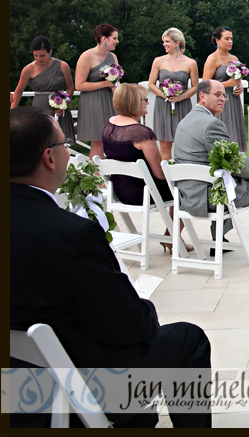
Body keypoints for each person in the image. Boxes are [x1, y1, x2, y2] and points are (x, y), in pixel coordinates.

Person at [10, 106, 212, 428]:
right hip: (80, 385)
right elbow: (127, 326)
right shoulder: (71, 234)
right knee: (189, 338)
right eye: (65, 145)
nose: (67, 153)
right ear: (49, 158)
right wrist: (146, 310)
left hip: (16, 386)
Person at [172, 79, 249, 260]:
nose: (223, 99)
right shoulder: (211, 124)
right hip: (209, 197)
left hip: (188, 196)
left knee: (226, 179)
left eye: (224, 96)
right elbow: (233, 161)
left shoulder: (184, 121)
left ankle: (219, 240)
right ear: (202, 96)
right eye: (217, 95)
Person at [102, 83, 192, 254]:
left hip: (119, 192)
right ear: (133, 102)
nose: (147, 103)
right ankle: (173, 237)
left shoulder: (109, 125)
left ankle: (171, 237)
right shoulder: (142, 133)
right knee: (188, 188)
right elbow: (159, 173)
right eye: (145, 100)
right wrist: (177, 171)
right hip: (141, 193)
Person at [147, 28, 198, 162]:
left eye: (167, 41)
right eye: (163, 42)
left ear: (177, 42)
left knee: (185, 144)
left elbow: (195, 87)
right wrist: (164, 96)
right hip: (163, 106)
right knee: (165, 146)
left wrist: (180, 97)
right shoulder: (158, 61)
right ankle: (168, 180)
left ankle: (184, 177)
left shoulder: (190, 63)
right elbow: (151, 84)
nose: (164, 44)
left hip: (183, 105)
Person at [11, 36, 76, 141]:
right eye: (35, 55)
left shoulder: (63, 66)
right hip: (39, 107)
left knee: (61, 142)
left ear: (50, 51)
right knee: (41, 142)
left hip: (59, 107)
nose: (38, 59)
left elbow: (70, 89)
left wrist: (63, 105)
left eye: (42, 56)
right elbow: (18, 91)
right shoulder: (28, 69)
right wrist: (12, 112)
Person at [74, 23, 120, 161]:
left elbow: (116, 80)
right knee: (98, 143)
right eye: (115, 38)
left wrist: (117, 87)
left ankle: (111, 177)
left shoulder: (113, 57)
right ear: (104, 39)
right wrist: (105, 83)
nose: (117, 41)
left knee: (114, 142)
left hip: (110, 100)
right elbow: (79, 85)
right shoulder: (86, 56)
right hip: (92, 102)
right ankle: (97, 180)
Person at [203, 26, 248, 152]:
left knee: (234, 135)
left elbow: (237, 80)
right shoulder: (212, 59)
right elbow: (206, 85)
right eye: (227, 38)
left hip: (233, 100)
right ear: (217, 40)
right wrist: (227, 84)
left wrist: (239, 87)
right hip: (219, 102)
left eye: (231, 39)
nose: (230, 42)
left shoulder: (234, 59)